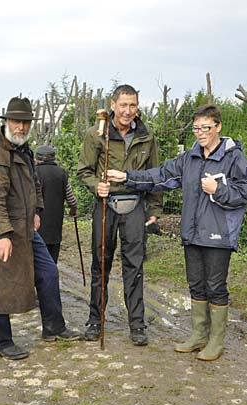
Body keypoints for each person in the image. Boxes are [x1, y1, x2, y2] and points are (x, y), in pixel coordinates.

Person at [103, 103, 247, 361]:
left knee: (215, 286)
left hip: (219, 235)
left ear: (218, 127)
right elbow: (160, 175)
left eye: (206, 128)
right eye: (196, 128)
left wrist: (218, 190)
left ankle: (216, 342)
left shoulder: (233, 158)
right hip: (192, 233)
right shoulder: (190, 158)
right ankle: (199, 336)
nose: (200, 133)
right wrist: (126, 177)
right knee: (196, 284)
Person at [0, 96, 80, 360]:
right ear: (6, 122)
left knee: (49, 273)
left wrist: (36, 211)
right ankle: (0, 342)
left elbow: (34, 183)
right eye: (16, 122)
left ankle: (54, 327)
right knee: (1, 284)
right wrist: (2, 233)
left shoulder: (23, 150)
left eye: (25, 122)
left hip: (26, 230)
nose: (21, 127)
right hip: (3, 232)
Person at [77, 84, 162, 346]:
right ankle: (94, 321)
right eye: (123, 105)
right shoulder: (96, 134)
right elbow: (84, 171)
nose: (128, 111)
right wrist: (96, 186)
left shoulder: (147, 137)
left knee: (134, 267)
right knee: (100, 264)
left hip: (135, 206)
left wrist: (155, 210)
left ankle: (137, 324)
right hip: (105, 206)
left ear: (138, 107)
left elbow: (155, 175)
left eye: (133, 105)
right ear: (113, 105)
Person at [34, 144, 78, 263]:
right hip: (55, 226)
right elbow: (70, 197)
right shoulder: (62, 173)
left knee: (37, 260)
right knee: (52, 261)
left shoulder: (32, 173)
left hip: (36, 224)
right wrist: (74, 209)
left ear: (37, 159)